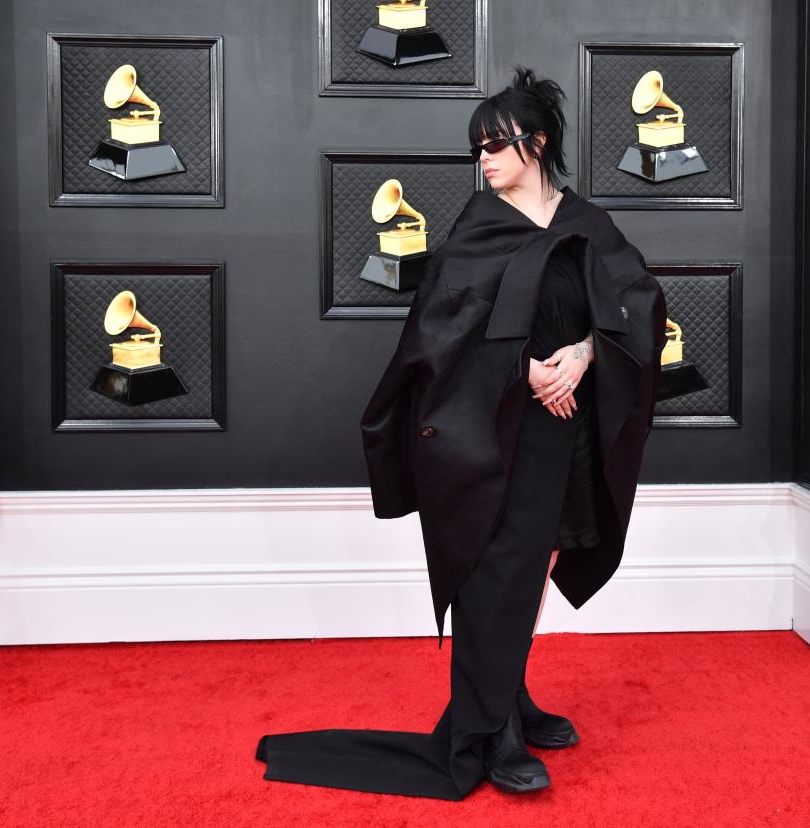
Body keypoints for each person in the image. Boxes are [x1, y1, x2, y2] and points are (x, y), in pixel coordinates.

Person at [256, 66, 667, 800]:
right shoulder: (479, 227)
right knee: (494, 568)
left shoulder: (588, 224)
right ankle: (489, 731)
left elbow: (638, 308)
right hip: (495, 427)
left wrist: (581, 355)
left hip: (568, 429)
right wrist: (525, 369)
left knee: (536, 562)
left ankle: (508, 692)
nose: (484, 160)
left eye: (496, 146)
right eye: (478, 149)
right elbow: (439, 334)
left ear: (536, 143)